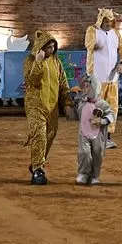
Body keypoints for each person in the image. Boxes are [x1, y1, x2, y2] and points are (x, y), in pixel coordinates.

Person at [23, 30, 75, 185]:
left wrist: (67, 104)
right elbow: (31, 80)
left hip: (52, 107)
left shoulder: (56, 62)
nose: (51, 50)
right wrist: (38, 62)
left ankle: (37, 162)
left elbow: (63, 84)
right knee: (39, 136)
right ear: (41, 47)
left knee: (50, 136)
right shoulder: (30, 60)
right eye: (48, 47)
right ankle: (38, 169)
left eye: (53, 47)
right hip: (35, 106)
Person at [84, 8, 122, 149]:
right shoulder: (92, 31)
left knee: (111, 109)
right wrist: (94, 45)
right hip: (96, 79)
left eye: (111, 21)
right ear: (101, 20)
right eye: (106, 21)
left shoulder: (116, 33)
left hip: (112, 79)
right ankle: (93, 138)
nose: (109, 24)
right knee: (95, 109)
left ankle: (107, 138)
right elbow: (88, 44)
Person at [74, 72, 115, 185]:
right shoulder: (82, 103)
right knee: (84, 153)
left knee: (97, 154)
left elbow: (111, 115)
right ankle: (83, 173)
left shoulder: (102, 104)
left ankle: (94, 175)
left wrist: (102, 121)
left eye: (88, 86)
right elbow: (76, 114)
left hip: (98, 135)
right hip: (84, 133)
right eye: (84, 86)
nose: (85, 89)